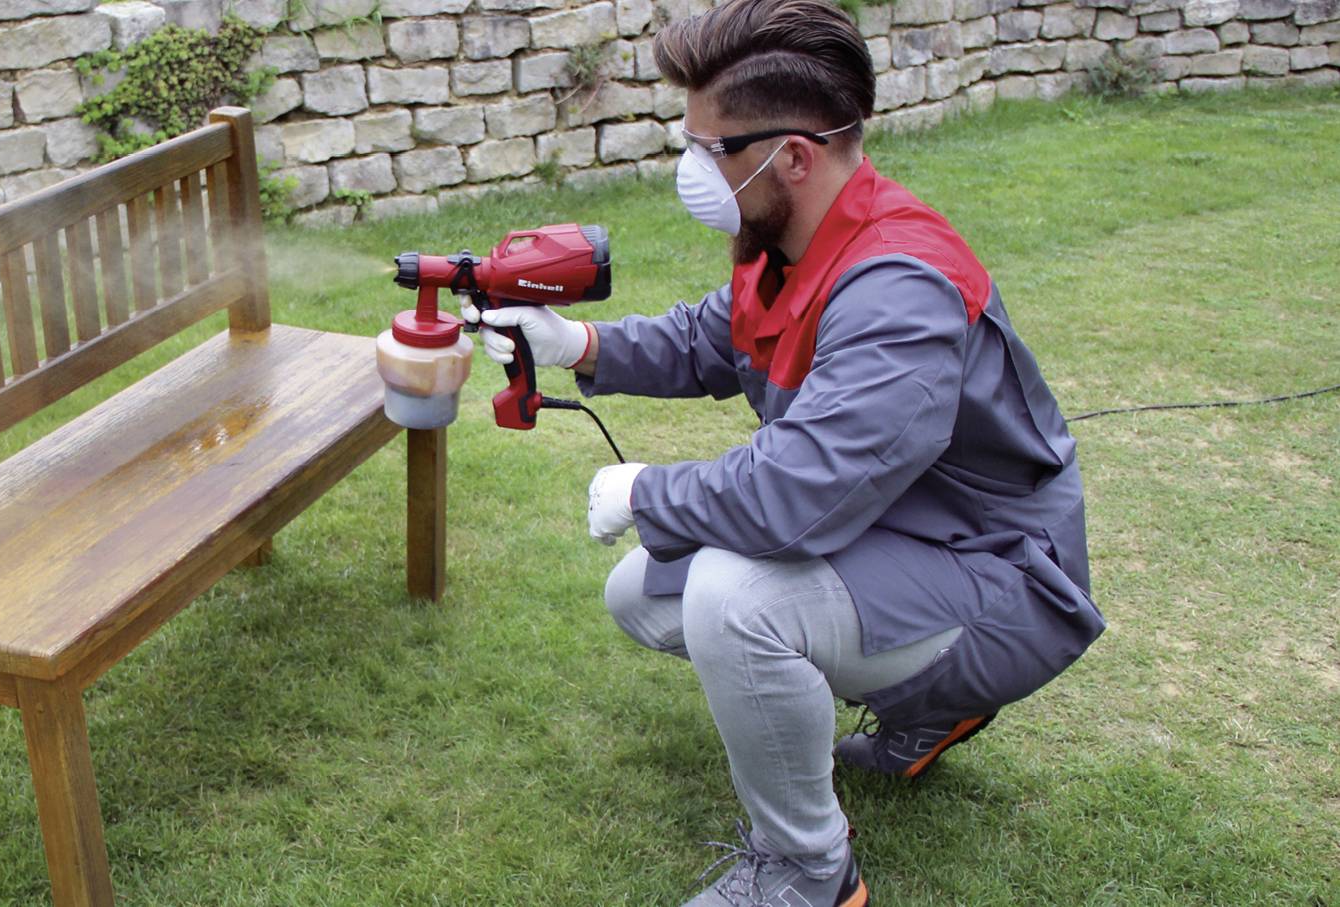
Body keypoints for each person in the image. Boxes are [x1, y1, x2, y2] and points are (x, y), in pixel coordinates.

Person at [464, 0, 1106, 903]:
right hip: (904, 535)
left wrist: (648, 489)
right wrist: (578, 345)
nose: (691, 168)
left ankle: (810, 870)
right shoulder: (795, 237)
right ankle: (934, 707)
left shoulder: (899, 290)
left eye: (707, 148)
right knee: (643, 596)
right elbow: (714, 337)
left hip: (997, 577)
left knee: (734, 598)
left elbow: (795, 493)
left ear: (792, 155)